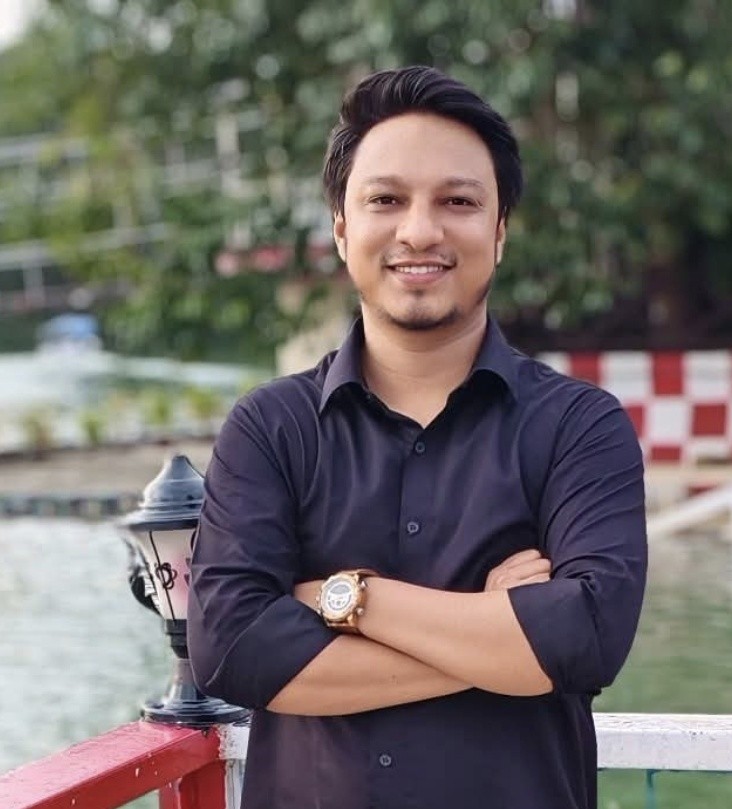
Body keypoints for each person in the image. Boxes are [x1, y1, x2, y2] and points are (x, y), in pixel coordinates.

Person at [187, 65, 647, 809]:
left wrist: (345, 598)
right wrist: (494, 639)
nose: (420, 231)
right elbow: (235, 650)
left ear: (499, 231)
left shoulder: (579, 427)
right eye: (386, 200)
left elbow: (585, 640)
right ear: (342, 229)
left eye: (458, 201)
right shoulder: (270, 429)